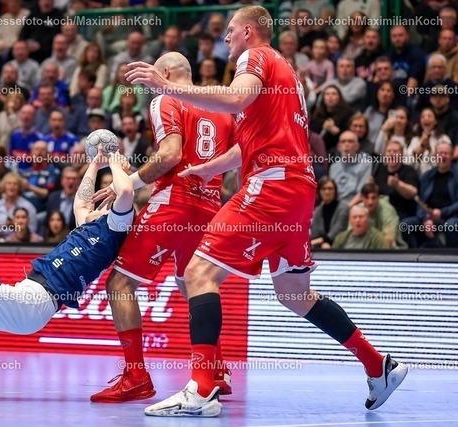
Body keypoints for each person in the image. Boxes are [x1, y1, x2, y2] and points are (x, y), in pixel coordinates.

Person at [126, 5, 408, 417]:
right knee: (295, 294)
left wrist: (166, 86)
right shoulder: (286, 74)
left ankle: (201, 389)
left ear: (250, 32)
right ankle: (377, 365)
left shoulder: (254, 57)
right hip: (298, 190)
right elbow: (250, 145)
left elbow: (235, 98)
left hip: (272, 186)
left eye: (231, 30)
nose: (226, 38)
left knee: (197, 273)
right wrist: (209, 167)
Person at [0, 148, 135, 394]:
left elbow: (126, 191)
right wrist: (95, 164)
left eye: (102, 204)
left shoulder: (115, 229)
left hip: (36, 301)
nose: (91, 207)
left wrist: (115, 162)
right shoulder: (88, 225)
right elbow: (82, 200)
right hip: (28, 293)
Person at [90, 52, 235, 403]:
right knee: (194, 283)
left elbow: (170, 155)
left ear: (165, 73)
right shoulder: (221, 108)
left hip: (174, 203)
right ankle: (215, 369)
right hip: (209, 207)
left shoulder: (166, 98)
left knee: (119, 283)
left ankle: (135, 377)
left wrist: (127, 182)